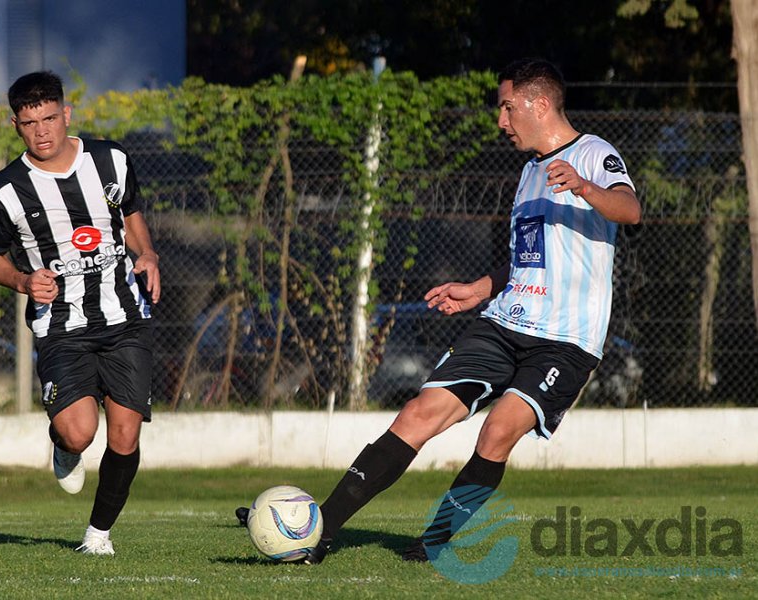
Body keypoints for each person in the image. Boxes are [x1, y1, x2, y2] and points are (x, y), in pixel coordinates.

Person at [237, 57, 640, 564]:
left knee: (497, 432)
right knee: (417, 414)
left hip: (564, 340)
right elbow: (529, 260)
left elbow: (630, 208)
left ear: (539, 104)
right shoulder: (529, 173)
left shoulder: (593, 154)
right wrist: (479, 289)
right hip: (505, 321)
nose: (501, 120)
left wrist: (585, 187)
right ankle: (319, 534)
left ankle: (435, 542)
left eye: (507, 107)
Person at [0, 71, 161, 556]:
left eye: (50, 118)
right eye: (30, 122)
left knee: (124, 433)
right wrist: (21, 280)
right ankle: (63, 443)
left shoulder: (111, 159)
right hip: (61, 327)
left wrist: (148, 255)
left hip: (125, 319)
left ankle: (98, 535)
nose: (42, 131)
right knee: (81, 432)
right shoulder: (2, 191)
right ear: (15, 123)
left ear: (67, 114)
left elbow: (132, 214)